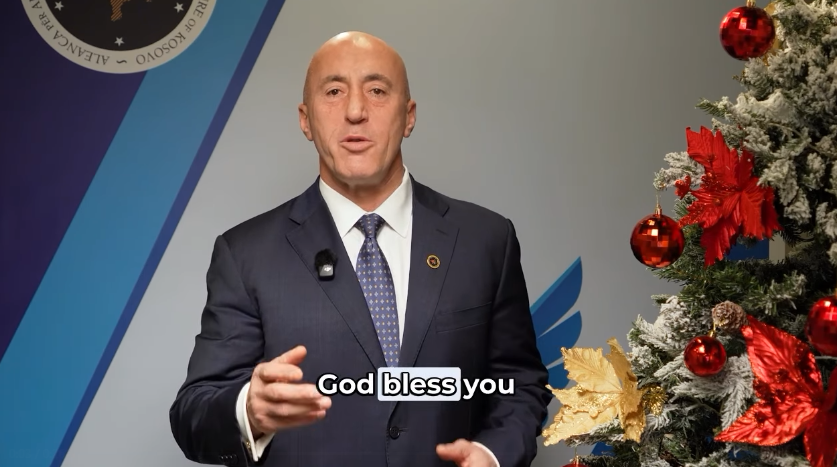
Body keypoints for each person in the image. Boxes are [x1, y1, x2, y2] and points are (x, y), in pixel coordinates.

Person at [169, 31, 551, 467]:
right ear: (306, 120)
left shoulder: (486, 240)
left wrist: (492, 455)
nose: (355, 111)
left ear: (408, 117)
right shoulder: (245, 255)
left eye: (377, 91)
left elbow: (520, 384)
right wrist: (248, 412)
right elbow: (194, 413)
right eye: (334, 92)